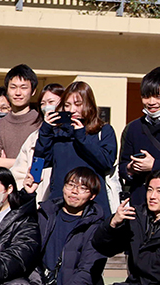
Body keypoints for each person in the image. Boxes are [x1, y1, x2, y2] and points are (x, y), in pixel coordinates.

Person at [18, 167, 105, 285]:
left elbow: (85, 277)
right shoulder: (46, 213)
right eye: (70, 185)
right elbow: (18, 225)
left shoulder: (96, 227)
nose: (74, 191)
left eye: (82, 188)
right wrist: (26, 194)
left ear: (92, 195)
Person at [85, 170, 160, 285]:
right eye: (149, 189)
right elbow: (104, 248)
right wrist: (113, 223)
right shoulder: (137, 215)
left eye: (159, 191)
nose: (152, 196)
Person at [33, 81, 116, 216]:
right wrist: (46, 131)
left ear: (89, 104)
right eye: (67, 105)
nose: (72, 110)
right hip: (60, 205)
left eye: (78, 104)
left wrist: (81, 137)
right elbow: (39, 163)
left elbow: (106, 162)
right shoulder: (58, 132)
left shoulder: (103, 130)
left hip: (93, 207)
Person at [119, 67, 160, 207]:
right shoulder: (133, 128)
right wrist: (130, 168)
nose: (151, 102)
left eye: (158, 96)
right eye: (146, 96)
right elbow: (122, 165)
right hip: (140, 205)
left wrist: (154, 165)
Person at [9, 83, 64, 199]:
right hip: (40, 198)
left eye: (51, 102)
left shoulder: (75, 134)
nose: (47, 107)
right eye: (43, 104)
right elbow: (19, 172)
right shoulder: (34, 137)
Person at [0, 64, 40, 169]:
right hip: (6, 183)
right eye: (13, 87)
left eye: (23, 87)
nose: (18, 93)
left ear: (33, 91)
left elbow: (46, 161)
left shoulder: (42, 123)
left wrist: (7, 162)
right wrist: (29, 162)